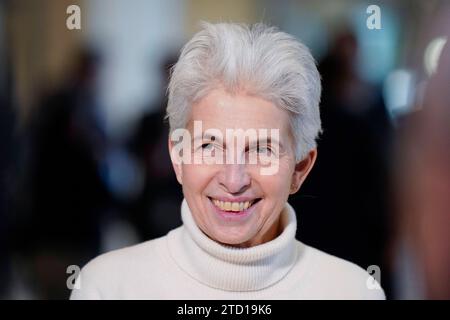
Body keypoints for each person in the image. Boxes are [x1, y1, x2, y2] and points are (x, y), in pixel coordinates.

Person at [70, 22, 385, 299]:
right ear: (178, 157)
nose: (234, 181)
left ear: (300, 168)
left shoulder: (352, 291)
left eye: (262, 150)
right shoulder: (108, 288)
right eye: (210, 146)